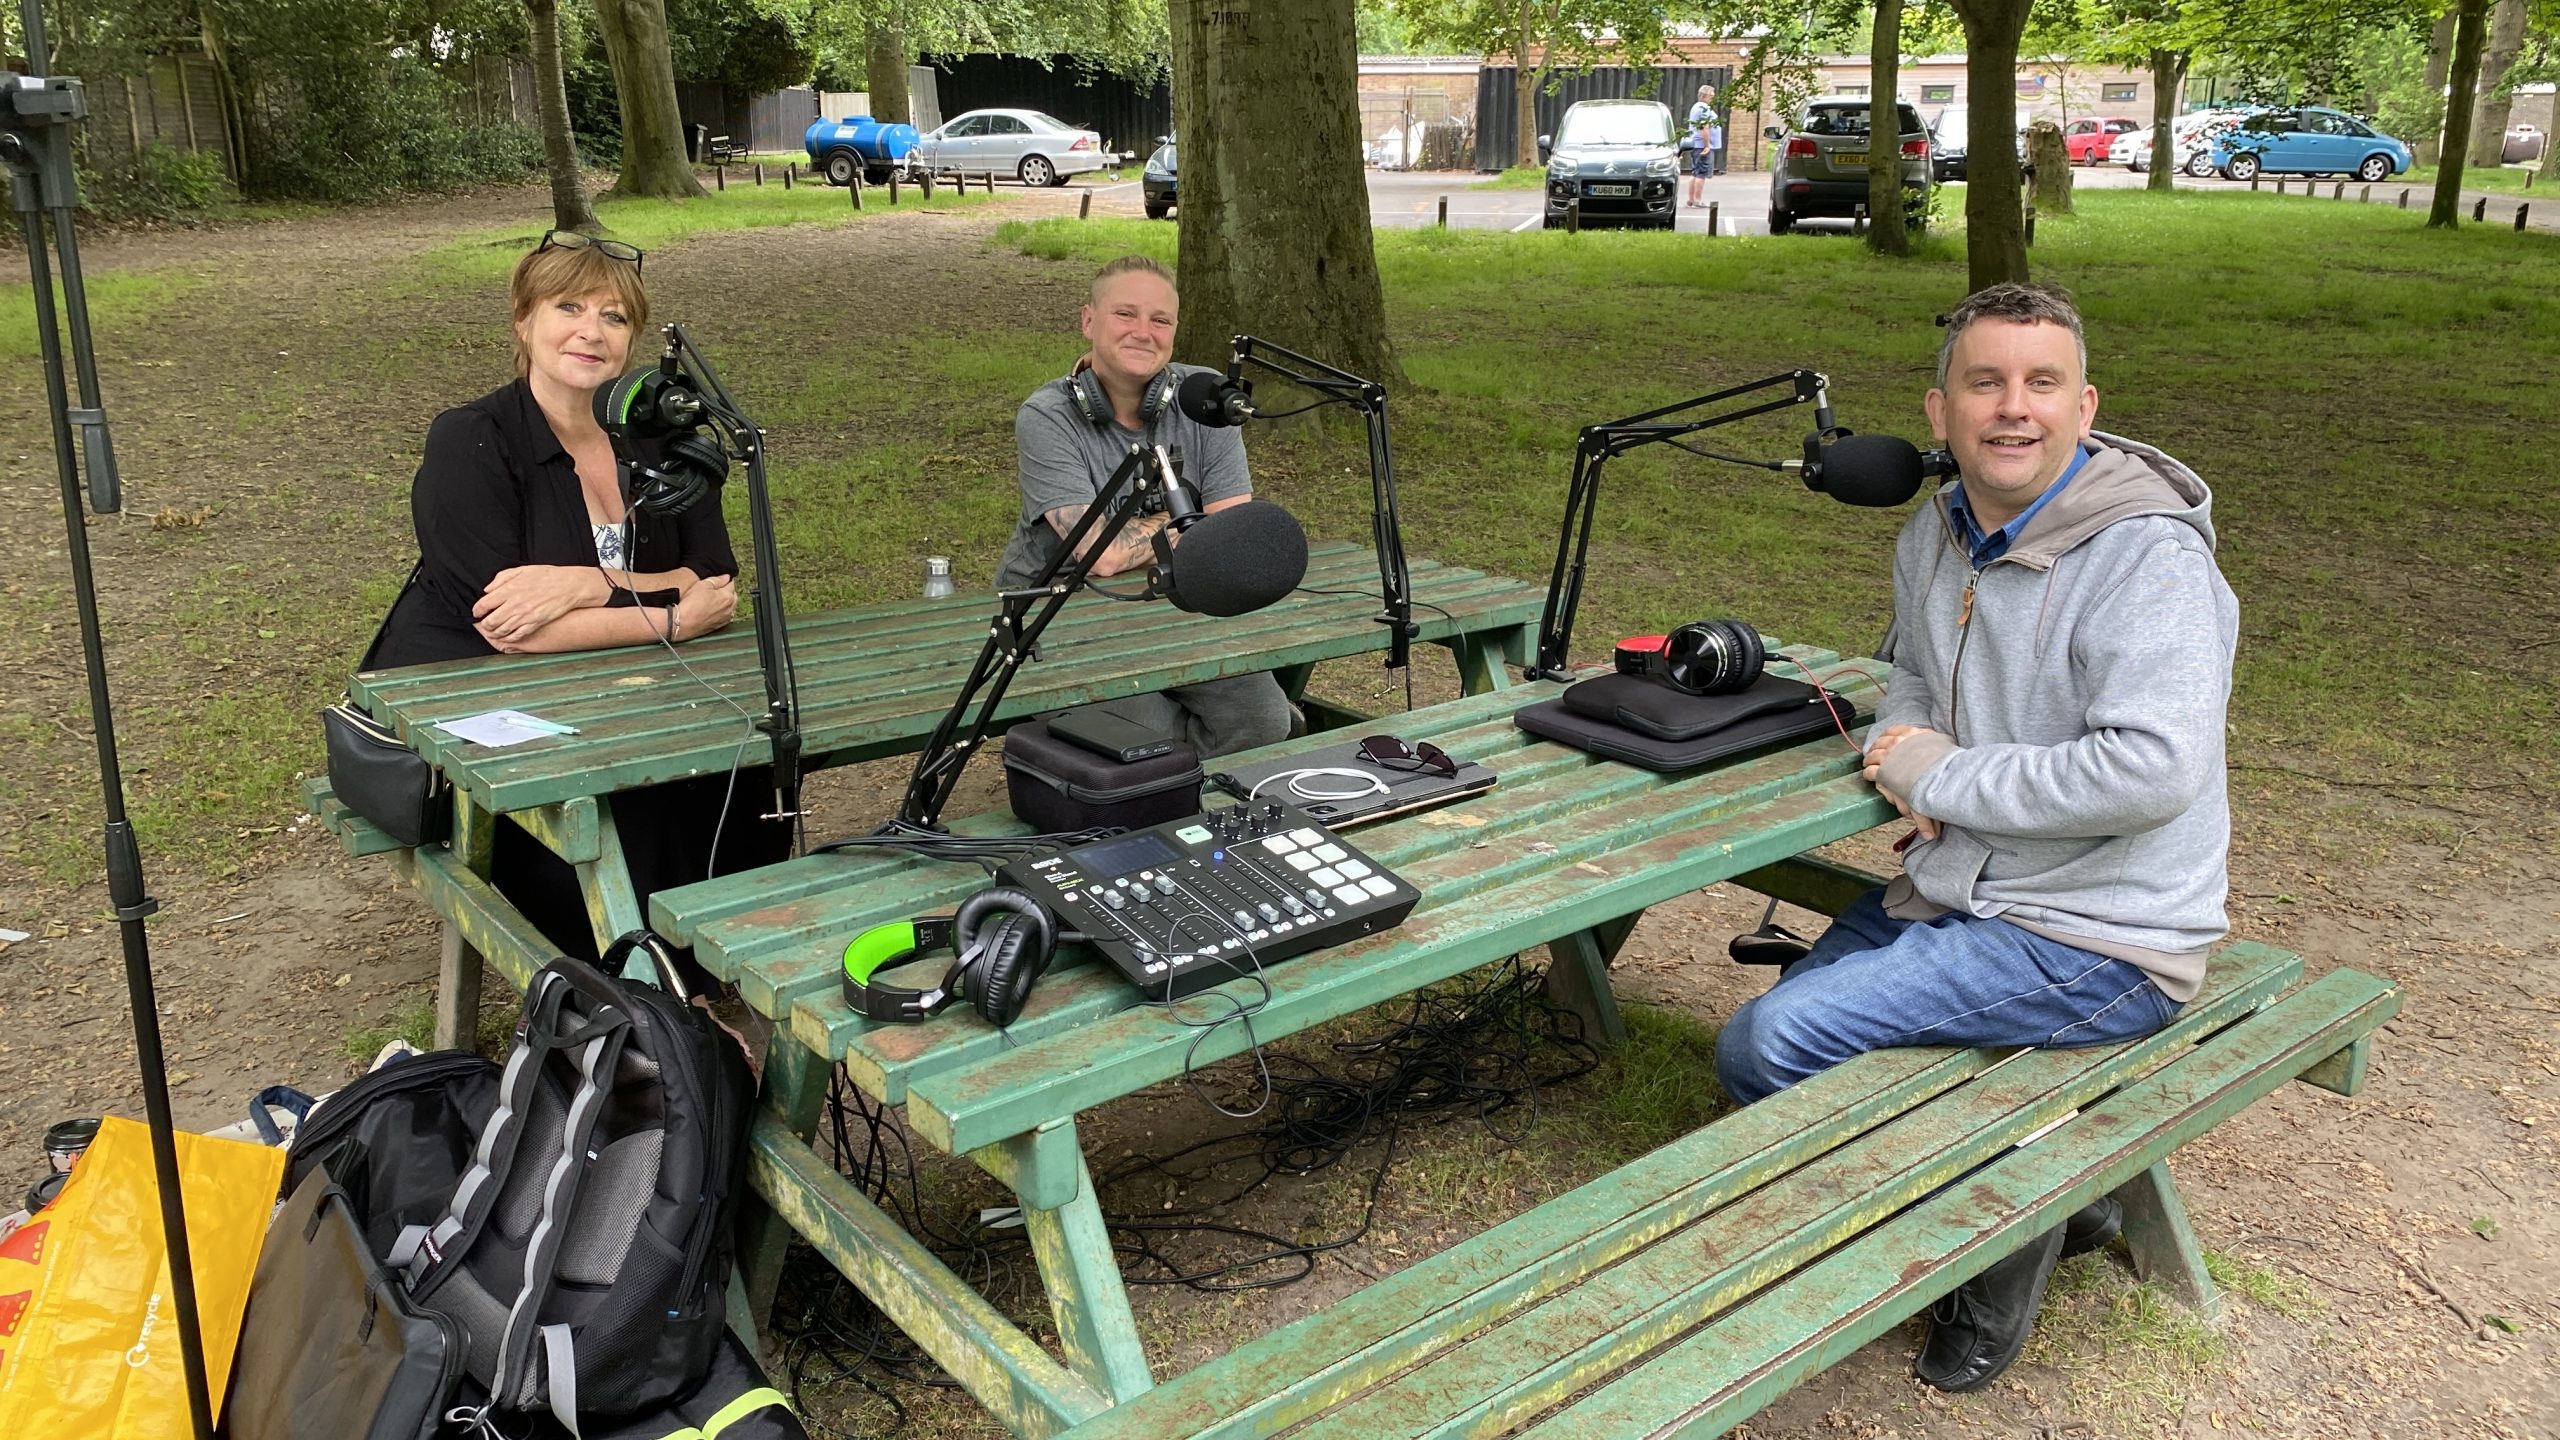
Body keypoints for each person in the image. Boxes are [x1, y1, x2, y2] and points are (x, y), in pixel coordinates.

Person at [1712, 283, 2239, 1392]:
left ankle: (2000, 1240)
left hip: (2100, 936)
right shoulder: (1937, 529)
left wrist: (1940, 775)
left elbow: (2153, 770)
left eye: (2042, 383)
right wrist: (1904, 738)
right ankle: (2070, 1200)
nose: (2013, 407)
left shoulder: (2147, 560)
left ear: (2083, 407)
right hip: (1961, 888)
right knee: (1788, 1026)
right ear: (1940, 410)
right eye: (1984, 382)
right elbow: (1911, 672)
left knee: (1770, 1045)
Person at [365, 230, 789, 962]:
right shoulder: (471, 440)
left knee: (747, 764)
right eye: (569, 307)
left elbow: (715, 578)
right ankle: (639, 984)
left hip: (614, 684)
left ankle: (722, 957)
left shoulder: (662, 442)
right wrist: (673, 617)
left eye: (614, 316)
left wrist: (587, 582)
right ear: (522, 322)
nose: (592, 331)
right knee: (622, 801)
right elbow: (512, 631)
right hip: (475, 701)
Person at [996, 255, 1293, 758]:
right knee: (1147, 734)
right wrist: (1189, 524)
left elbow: (1230, 533)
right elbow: (1102, 556)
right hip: (1058, 613)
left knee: (1263, 717)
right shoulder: (1047, 416)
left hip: (1175, 604)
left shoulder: (1207, 399)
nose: (1143, 332)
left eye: (1160, 320)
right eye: (1125, 314)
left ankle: (1169, 784)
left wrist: (1157, 533)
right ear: (1088, 320)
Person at [1685, 85, 1717, 206]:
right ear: (1704, 96)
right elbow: (1704, 127)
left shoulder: (1696, 107)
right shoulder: (1704, 108)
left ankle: (1691, 199)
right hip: (1701, 145)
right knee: (1701, 173)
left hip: (1696, 144)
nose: (1713, 98)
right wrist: (1707, 145)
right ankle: (1697, 200)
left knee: (1695, 172)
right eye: (1711, 96)